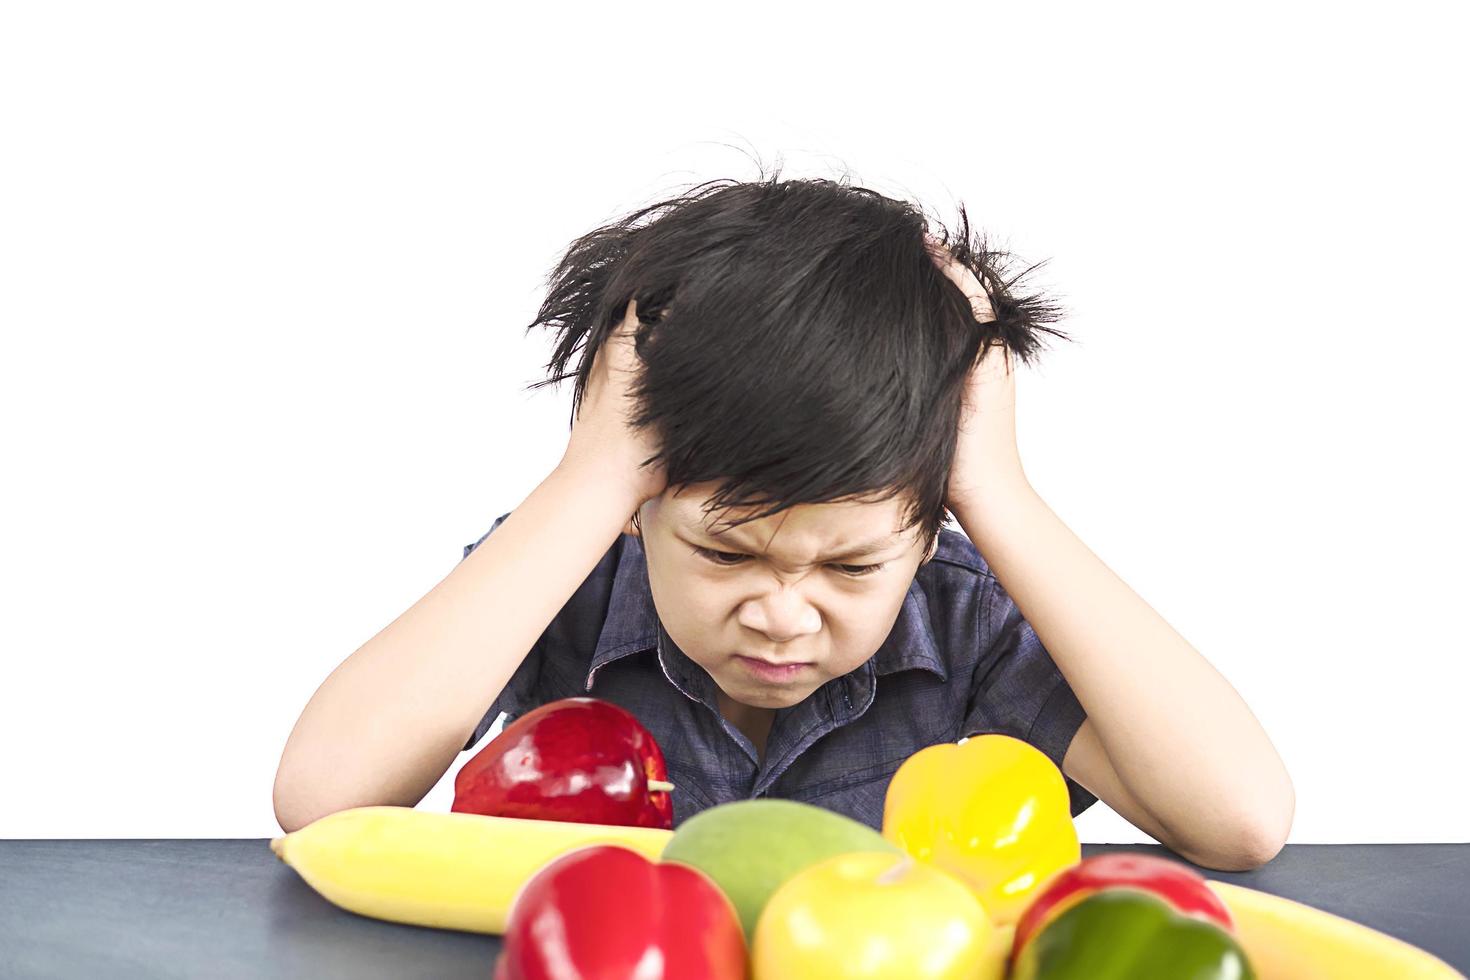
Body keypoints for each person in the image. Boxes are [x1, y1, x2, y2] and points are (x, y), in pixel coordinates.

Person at [272, 170, 1294, 871]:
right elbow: (323, 796)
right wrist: (591, 478)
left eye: (850, 568)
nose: (782, 615)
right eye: (725, 549)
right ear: (641, 507)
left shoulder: (964, 616)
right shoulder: (571, 569)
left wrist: (997, 491)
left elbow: (1239, 817)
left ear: (928, 527)